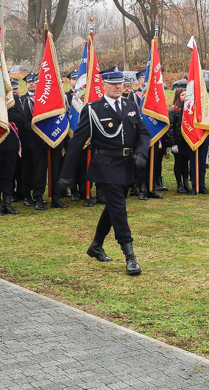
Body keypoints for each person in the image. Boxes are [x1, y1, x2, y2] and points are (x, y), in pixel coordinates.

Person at [57, 67, 150, 276]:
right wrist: (66, 174)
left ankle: (96, 245)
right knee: (119, 208)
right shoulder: (92, 110)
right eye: (114, 84)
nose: (119, 87)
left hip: (127, 164)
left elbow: (143, 133)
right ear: (104, 85)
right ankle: (130, 256)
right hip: (105, 164)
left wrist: (142, 153)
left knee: (113, 207)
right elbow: (77, 143)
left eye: (121, 83)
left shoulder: (129, 105)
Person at [20, 72, 67, 210]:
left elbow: (62, 120)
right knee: (39, 171)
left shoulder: (57, 101)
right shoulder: (30, 101)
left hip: (55, 140)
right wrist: (41, 136)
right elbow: (27, 123)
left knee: (55, 170)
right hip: (37, 143)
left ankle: (56, 197)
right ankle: (38, 197)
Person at [168, 87, 191, 194]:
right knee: (178, 163)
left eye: (186, 95)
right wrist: (173, 144)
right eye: (182, 95)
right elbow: (170, 128)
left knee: (185, 163)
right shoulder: (173, 111)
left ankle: (186, 183)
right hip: (177, 142)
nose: (184, 97)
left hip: (186, 141)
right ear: (178, 96)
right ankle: (179, 184)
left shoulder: (187, 110)